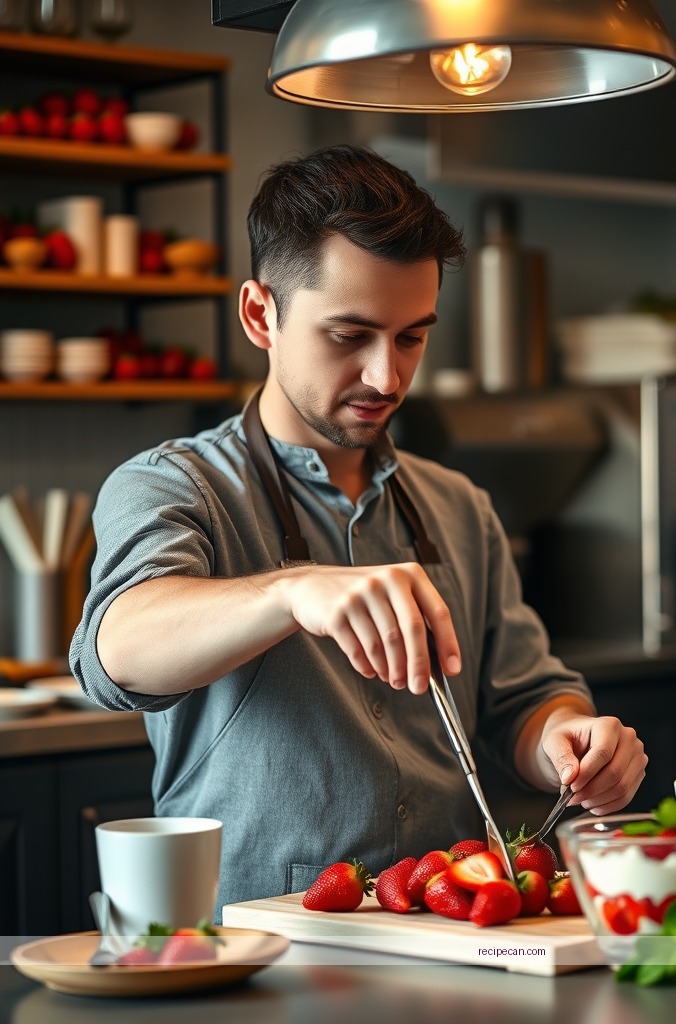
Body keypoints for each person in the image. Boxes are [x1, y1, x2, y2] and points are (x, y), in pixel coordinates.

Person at [70, 144, 646, 919]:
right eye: (350, 335)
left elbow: (523, 697)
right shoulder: (174, 485)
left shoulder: (458, 505)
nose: (387, 376)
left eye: (412, 336)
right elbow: (117, 651)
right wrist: (293, 591)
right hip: (255, 940)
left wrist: (566, 741)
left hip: (444, 927)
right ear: (259, 314)